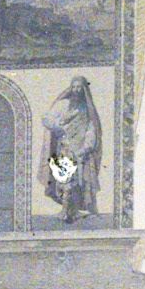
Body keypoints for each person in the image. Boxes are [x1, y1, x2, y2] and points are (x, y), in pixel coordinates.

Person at [41, 75, 102, 224]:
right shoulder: (63, 105)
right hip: (65, 146)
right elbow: (47, 119)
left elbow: (91, 129)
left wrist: (86, 147)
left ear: (83, 90)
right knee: (65, 179)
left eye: (79, 88)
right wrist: (58, 128)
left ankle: (75, 210)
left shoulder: (87, 109)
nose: (76, 90)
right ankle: (65, 210)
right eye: (74, 87)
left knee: (81, 180)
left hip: (81, 150)